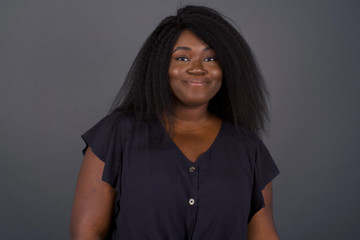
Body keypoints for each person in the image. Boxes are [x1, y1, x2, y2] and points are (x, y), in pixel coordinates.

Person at [70, 5, 280, 240]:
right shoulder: (117, 134)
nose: (198, 69)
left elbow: (264, 235)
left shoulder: (248, 148)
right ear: (161, 66)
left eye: (210, 58)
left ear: (226, 68)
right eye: (182, 57)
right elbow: (86, 232)